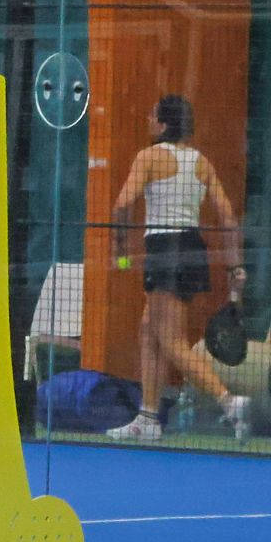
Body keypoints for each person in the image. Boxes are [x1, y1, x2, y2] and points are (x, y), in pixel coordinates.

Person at [105, 94, 250, 441]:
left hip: (165, 250)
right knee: (148, 329)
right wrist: (235, 267)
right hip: (193, 250)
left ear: (164, 124)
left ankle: (229, 401)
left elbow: (122, 205)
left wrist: (120, 250)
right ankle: (148, 419)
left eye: (153, 115)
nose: (148, 119)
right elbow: (229, 219)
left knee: (171, 341)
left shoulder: (148, 157)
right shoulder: (203, 163)